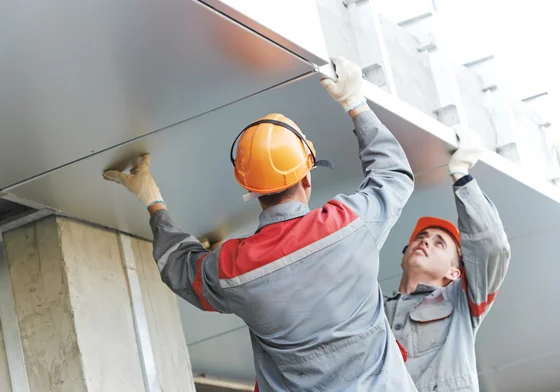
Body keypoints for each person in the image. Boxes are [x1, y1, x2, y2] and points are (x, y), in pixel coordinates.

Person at [104, 56, 417, 391]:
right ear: (306, 178)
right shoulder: (348, 226)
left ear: (250, 191)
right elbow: (393, 175)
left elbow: (179, 268)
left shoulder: (235, 267)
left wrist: (154, 203)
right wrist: (355, 103)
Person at [384, 126, 511, 392]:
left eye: (439, 243)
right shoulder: (373, 309)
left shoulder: (461, 302)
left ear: (455, 273)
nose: (425, 241)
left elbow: (492, 248)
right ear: (403, 257)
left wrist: (461, 174)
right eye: (421, 237)